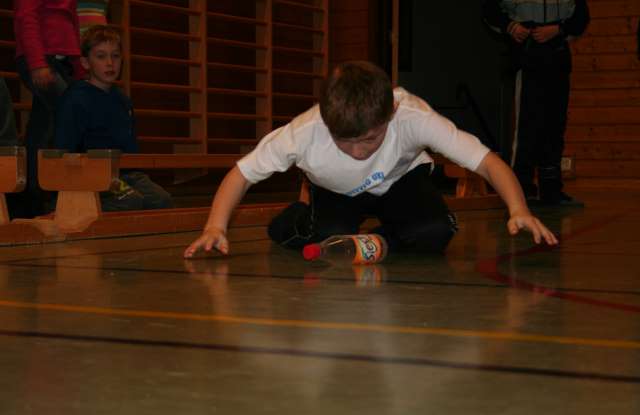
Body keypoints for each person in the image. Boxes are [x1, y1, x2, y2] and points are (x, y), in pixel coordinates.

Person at [184, 61, 557, 258]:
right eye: (345, 142)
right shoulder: (304, 131)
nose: (359, 152)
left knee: (435, 232)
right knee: (322, 236)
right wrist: (216, 226)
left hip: (400, 181)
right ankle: (297, 216)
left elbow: (487, 162)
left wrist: (518, 209)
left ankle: (377, 240)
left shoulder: (414, 117)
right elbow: (241, 174)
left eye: (370, 139)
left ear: (391, 112)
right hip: (335, 191)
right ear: (325, 120)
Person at [483, 0, 590, 206]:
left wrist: (558, 29)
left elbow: (582, 18)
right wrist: (511, 26)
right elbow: (489, 10)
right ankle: (521, 191)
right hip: (526, 60)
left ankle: (551, 190)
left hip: (557, 61)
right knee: (526, 127)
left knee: (555, 127)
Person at [55, 25, 172, 211]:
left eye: (115, 56)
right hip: (94, 175)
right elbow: (65, 148)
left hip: (125, 175)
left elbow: (131, 150)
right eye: (101, 56)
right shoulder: (75, 99)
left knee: (161, 199)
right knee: (130, 200)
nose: (110, 63)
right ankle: (81, 215)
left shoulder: (123, 101)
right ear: (85, 63)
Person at [14, 0, 83, 217]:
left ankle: (29, 199)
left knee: (43, 125)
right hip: (43, 58)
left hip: (63, 60)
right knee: (67, 120)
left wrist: (79, 69)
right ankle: (41, 194)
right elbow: (26, 16)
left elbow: (72, 20)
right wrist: (37, 62)